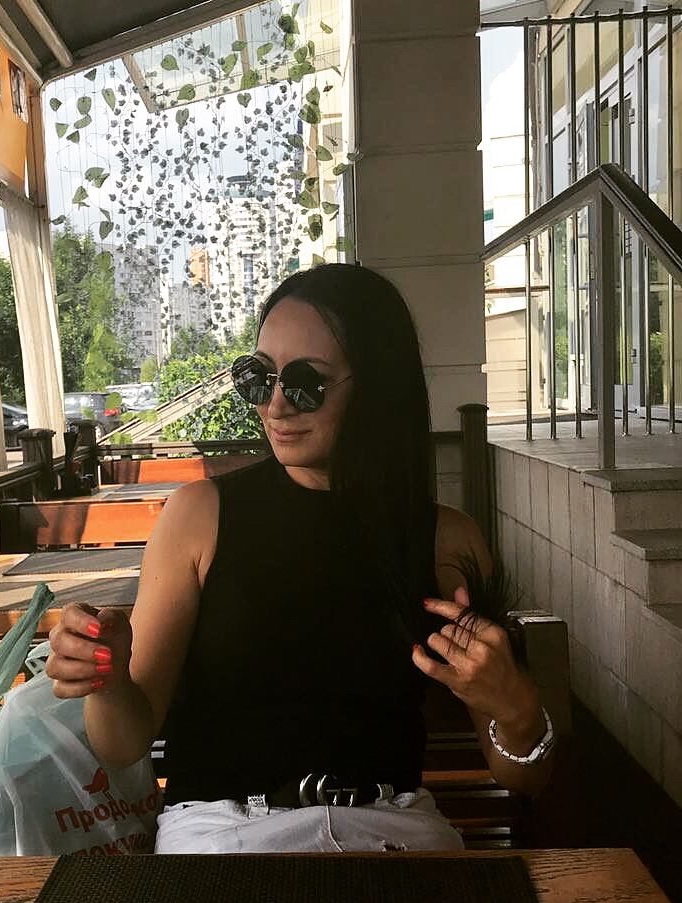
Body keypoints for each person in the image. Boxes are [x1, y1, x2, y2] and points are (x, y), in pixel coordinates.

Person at [46, 263, 554, 854]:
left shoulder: (447, 541)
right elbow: (124, 743)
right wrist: (105, 680)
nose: (276, 404)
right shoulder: (200, 517)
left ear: (377, 386)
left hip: (392, 829)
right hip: (226, 832)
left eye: (306, 381)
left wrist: (516, 709)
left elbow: (525, 775)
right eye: (259, 377)